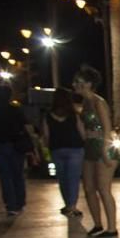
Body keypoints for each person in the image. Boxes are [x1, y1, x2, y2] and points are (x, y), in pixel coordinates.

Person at [73, 66, 118, 238]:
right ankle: (98, 224)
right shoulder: (85, 103)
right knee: (89, 188)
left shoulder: (99, 102)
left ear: (89, 84)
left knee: (104, 188)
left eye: (78, 81)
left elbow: (107, 128)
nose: (74, 84)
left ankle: (112, 228)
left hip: (104, 147)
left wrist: (106, 151)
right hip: (90, 147)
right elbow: (84, 132)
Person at [0, 85, 37, 216]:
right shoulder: (16, 110)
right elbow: (28, 127)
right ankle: (20, 202)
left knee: (5, 176)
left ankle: (10, 205)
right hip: (17, 145)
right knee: (18, 174)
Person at [42, 88, 86, 217]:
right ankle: (72, 206)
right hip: (75, 149)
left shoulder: (48, 116)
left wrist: (46, 148)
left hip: (57, 149)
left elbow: (46, 135)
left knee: (62, 179)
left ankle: (68, 205)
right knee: (73, 179)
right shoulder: (74, 115)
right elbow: (82, 132)